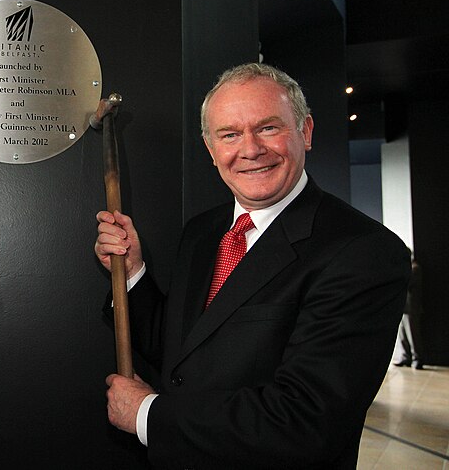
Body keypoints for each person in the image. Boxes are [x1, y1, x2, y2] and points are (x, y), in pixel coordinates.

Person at [94, 63, 410, 469]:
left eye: (268, 128)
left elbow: (306, 421)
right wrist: (133, 272)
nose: (250, 149)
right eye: (229, 134)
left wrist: (146, 415)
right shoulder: (203, 232)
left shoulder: (364, 252)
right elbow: (182, 355)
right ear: (211, 150)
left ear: (306, 132)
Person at [393, 253, 424, 369]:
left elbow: (406, 283)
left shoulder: (414, 268)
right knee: (403, 334)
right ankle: (406, 357)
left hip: (412, 308)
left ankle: (418, 359)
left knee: (413, 334)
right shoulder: (408, 268)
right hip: (404, 307)